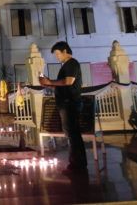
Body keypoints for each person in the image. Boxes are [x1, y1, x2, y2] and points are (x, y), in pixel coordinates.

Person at [39, 41, 88, 174]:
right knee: (72, 134)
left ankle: (76, 164)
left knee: (72, 134)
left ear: (65, 51)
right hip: (66, 103)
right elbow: (64, 84)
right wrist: (49, 84)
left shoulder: (71, 63)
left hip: (69, 103)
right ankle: (79, 163)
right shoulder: (67, 65)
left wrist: (50, 82)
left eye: (57, 53)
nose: (57, 56)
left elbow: (69, 81)